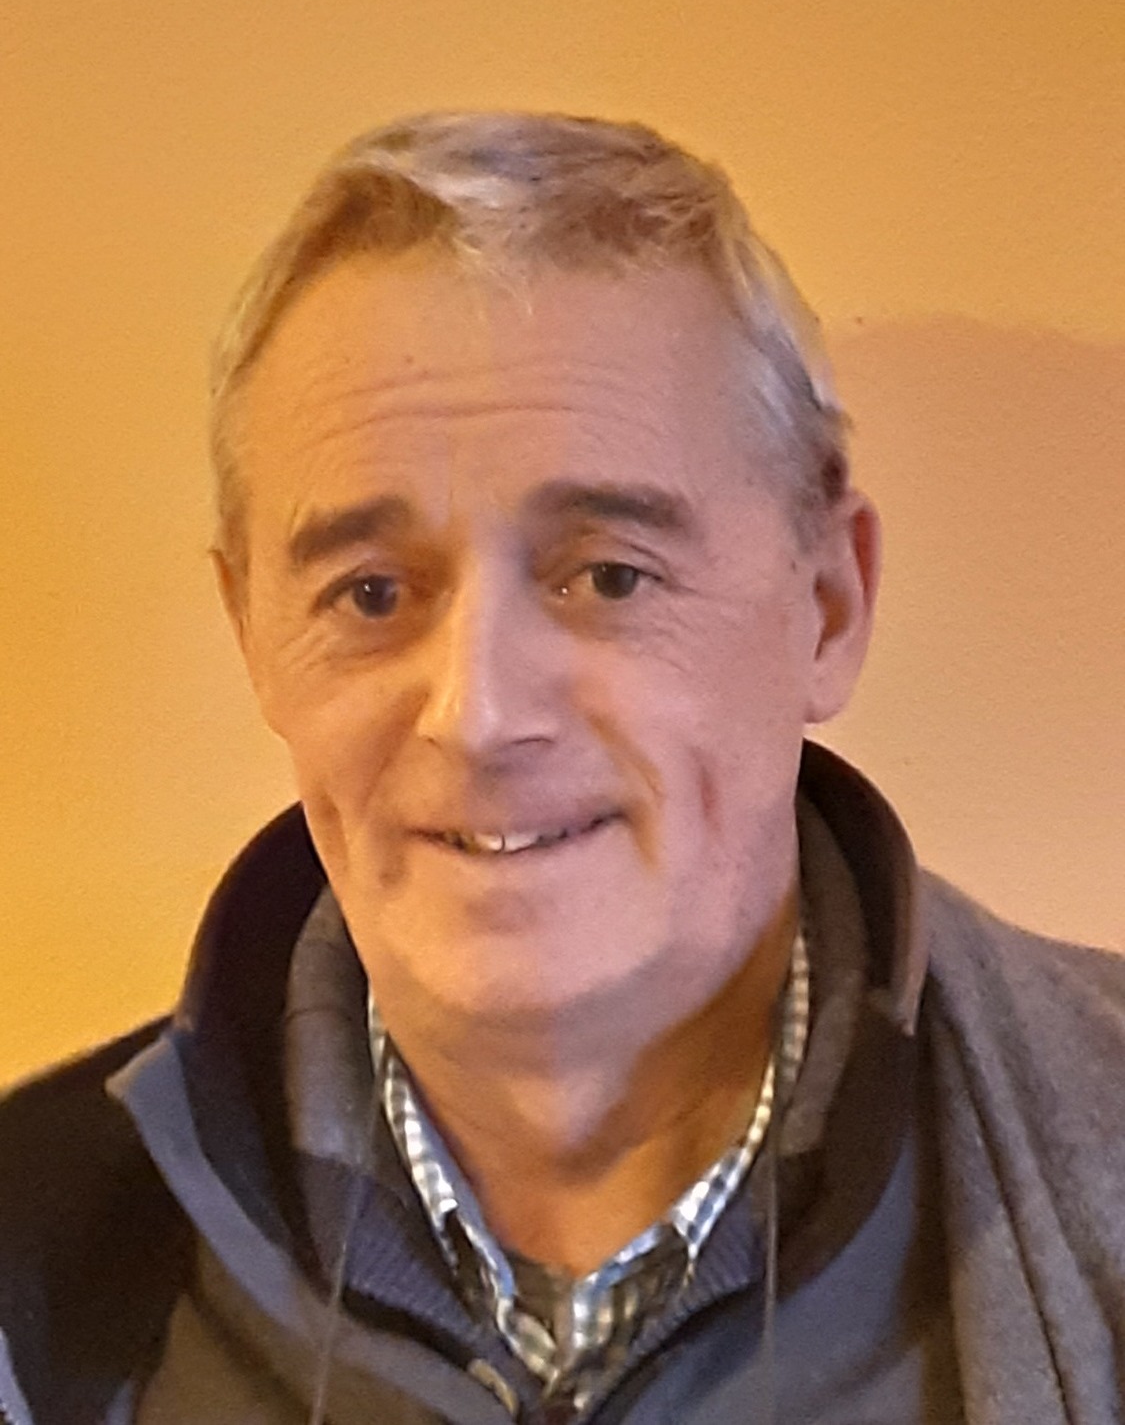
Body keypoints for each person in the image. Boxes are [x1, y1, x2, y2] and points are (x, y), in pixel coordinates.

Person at [1, 113, 1122, 1425]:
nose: (476, 716)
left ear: (826, 607)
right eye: (371, 593)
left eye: (609, 575)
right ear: (254, 634)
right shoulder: (36, 1259)